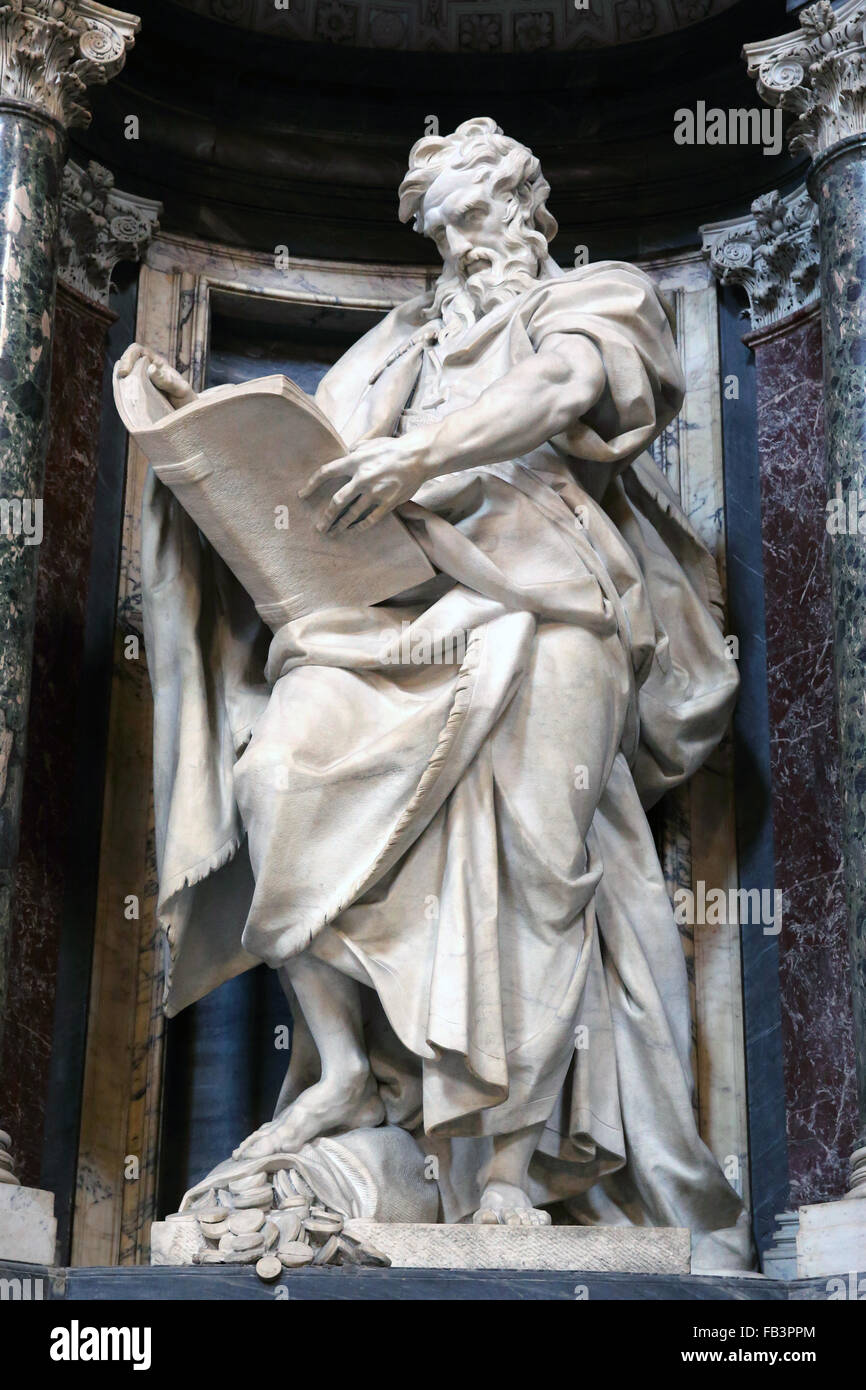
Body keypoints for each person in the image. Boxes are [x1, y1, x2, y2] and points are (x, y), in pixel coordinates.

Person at [122, 119, 748, 1261]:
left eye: (478, 210)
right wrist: (195, 431)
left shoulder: (596, 297)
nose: (465, 239)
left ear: (523, 200)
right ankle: (349, 1069)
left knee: (534, 866)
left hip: (557, 605)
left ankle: (505, 1165)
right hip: (398, 616)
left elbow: (565, 385)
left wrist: (425, 455)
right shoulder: (396, 344)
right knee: (281, 768)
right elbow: (308, 472)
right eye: (442, 225)